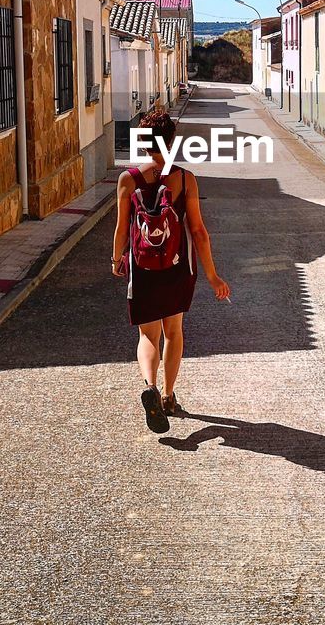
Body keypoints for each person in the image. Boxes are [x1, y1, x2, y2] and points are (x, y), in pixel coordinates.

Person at [112, 110, 231, 434]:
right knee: (173, 331)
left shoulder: (128, 179)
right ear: (171, 140)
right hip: (178, 267)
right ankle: (167, 397)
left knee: (147, 335)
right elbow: (199, 231)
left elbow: (123, 228)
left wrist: (115, 261)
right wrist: (212, 275)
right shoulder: (184, 178)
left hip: (143, 267)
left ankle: (149, 385)